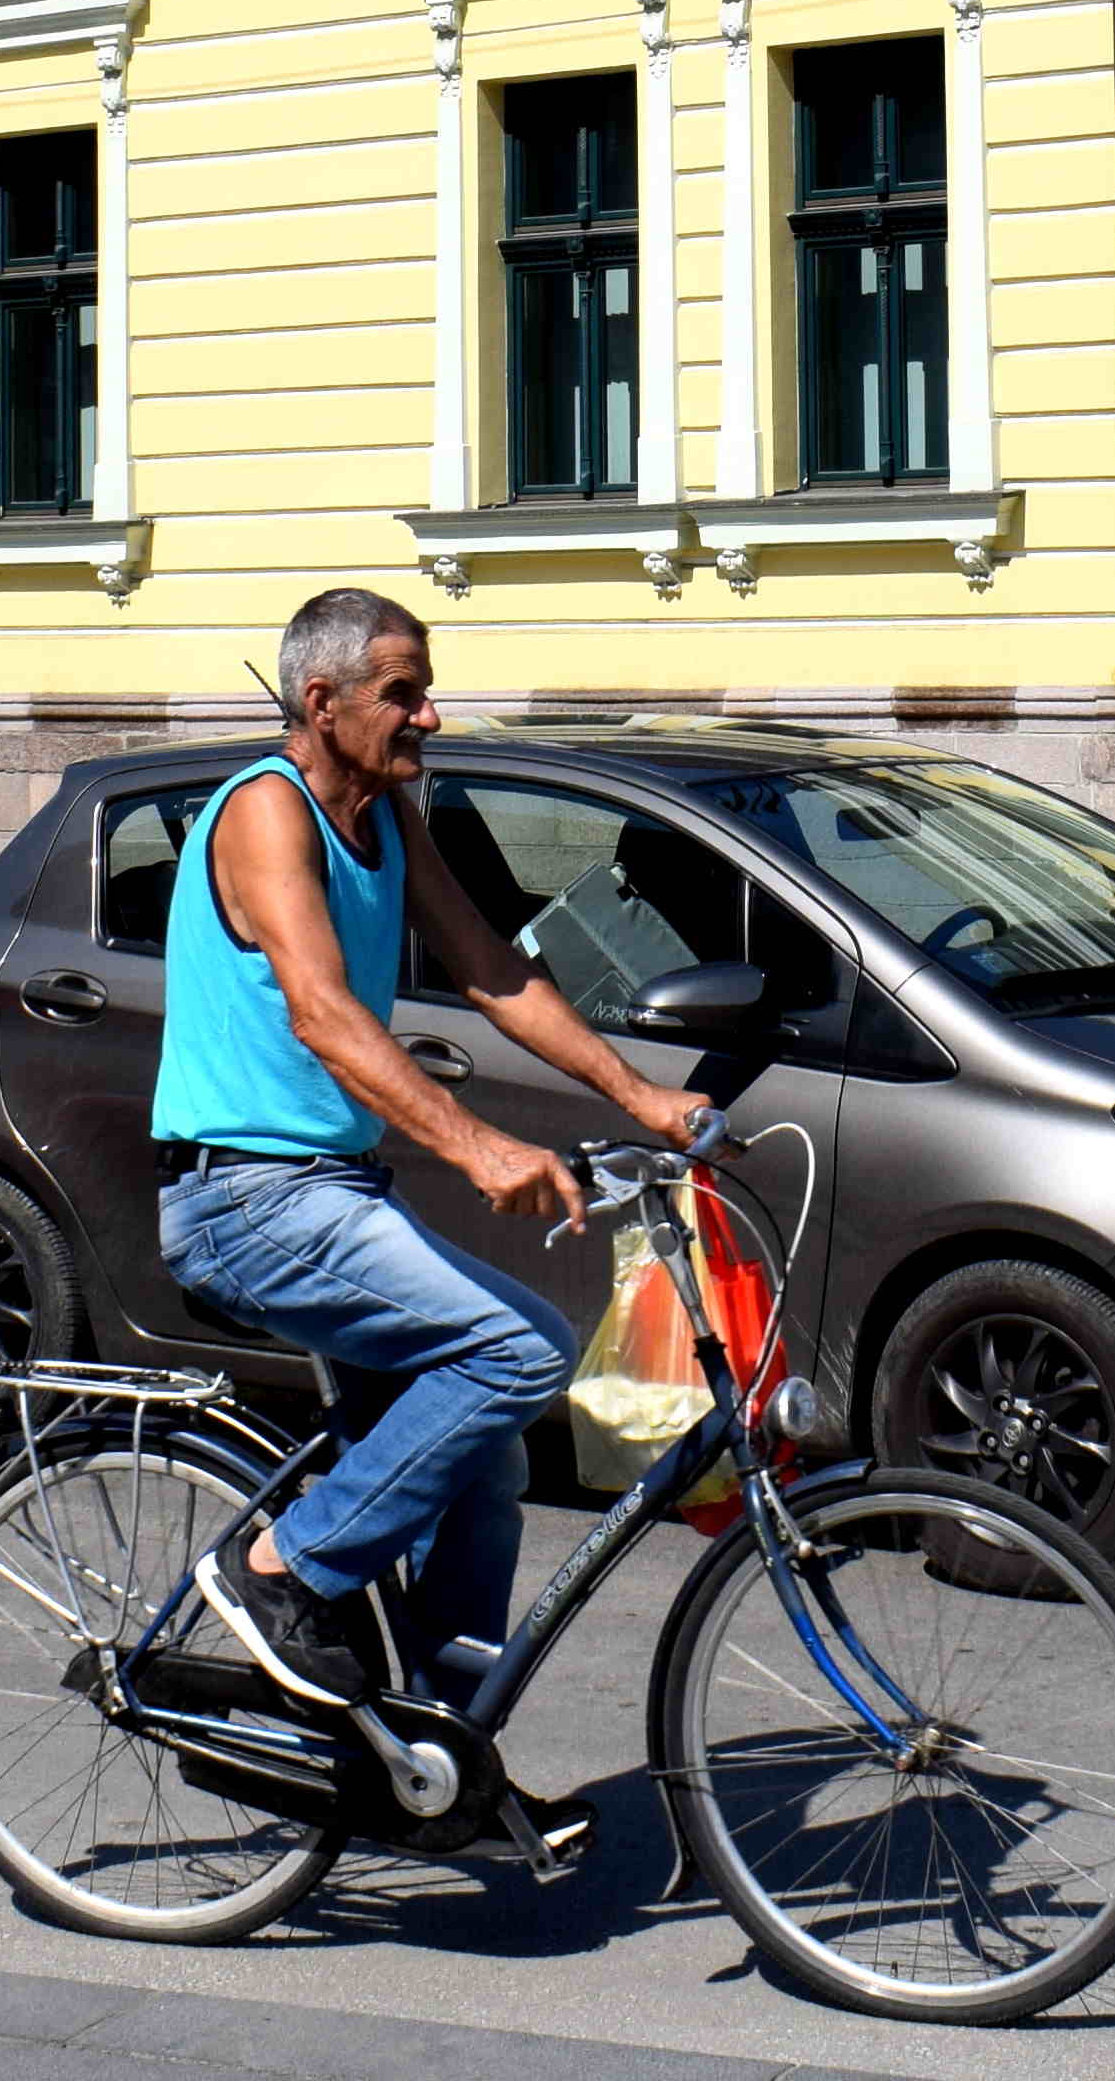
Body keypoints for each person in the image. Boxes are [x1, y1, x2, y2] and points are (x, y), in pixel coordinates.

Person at [158, 585, 720, 1711]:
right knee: (519, 1352)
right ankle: (279, 1572)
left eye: (426, 693)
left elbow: (490, 968)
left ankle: (421, 1732)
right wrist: (477, 1147)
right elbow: (322, 1012)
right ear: (322, 702)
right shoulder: (267, 812)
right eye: (402, 695)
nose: (428, 717)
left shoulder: (385, 815)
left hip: (331, 1191)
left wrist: (642, 1094)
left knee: (484, 1461)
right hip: (246, 1200)